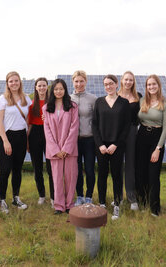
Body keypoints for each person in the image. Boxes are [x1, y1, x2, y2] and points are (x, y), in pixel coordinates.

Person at [92, 74, 131, 220]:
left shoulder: (124, 103)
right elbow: (94, 124)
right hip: (101, 146)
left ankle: (116, 204)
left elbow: (126, 126)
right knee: (101, 174)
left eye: (111, 83)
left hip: (117, 146)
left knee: (116, 175)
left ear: (116, 85)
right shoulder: (99, 102)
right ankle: (102, 203)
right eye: (105, 84)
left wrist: (116, 144)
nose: (108, 86)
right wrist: (100, 144)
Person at [0, 71, 31, 213]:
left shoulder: (26, 99)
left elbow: (28, 120)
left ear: (20, 82)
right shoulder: (1, 100)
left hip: (21, 137)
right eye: (11, 81)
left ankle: (16, 197)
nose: (14, 83)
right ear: (7, 83)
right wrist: (5, 141)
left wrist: (27, 140)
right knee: (5, 170)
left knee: (17, 170)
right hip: (7, 137)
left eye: (16, 81)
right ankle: (2, 200)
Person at [136, 74, 166, 216]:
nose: (151, 87)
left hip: (156, 138)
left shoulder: (165, 104)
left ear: (158, 86)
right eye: (149, 85)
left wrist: (158, 148)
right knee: (141, 172)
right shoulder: (142, 101)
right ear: (146, 87)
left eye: (154, 84)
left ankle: (155, 208)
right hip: (142, 136)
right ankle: (142, 203)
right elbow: (138, 119)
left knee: (153, 175)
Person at [43, 79, 79, 214]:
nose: (58, 91)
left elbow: (74, 127)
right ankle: (59, 206)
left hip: (70, 149)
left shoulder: (73, 106)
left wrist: (66, 148)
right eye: (56, 89)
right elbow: (47, 130)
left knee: (71, 176)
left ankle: (69, 204)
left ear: (65, 90)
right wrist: (56, 149)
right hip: (54, 150)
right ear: (52, 91)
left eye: (61, 89)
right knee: (57, 178)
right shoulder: (46, 108)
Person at [70, 70, 97, 206]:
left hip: (89, 140)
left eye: (81, 81)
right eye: (76, 81)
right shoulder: (68, 99)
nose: (79, 84)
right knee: (77, 170)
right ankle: (79, 195)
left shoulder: (93, 99)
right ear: (73, 82)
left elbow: (98, 120)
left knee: (90, 169)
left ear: (85, 82)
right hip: (74, 141)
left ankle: (89, 196)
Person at [27, 77, 54, 207]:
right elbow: (30, 124)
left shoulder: (53, 102)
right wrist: (27, 141)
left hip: (49, 134)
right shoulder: (32, 104)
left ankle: (54, 197)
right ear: (36, 88)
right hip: (35, 135)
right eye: (39, 86)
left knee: (51, 169)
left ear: (47, 87)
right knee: (37, 168)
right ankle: (42, 195)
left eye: (44, 85)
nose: (42, 88)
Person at [118, 71, 142, 210]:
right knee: (117, 165)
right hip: (118, 133)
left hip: (133, 132)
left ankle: (131, 197)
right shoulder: (115, 96)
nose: (128, 82)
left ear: (133, 82)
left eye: (131, 80)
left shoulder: (138, 97)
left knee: (130, 166)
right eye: (126, 79)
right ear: (122, 81)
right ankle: (118, 196)